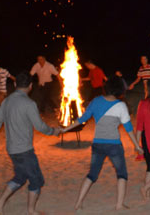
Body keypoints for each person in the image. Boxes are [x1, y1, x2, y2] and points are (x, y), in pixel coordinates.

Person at [0, 72, 61, 215]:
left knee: (20, 177)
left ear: (14, 84)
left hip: (12, 149)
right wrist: (53, 131)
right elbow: (39, 126)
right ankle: (31, 211)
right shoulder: (29, 104)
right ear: (31, 86)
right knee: (37, 181)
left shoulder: (6, 101)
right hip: (24, 150)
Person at [62, 77, 143, 210]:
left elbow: (82, 119)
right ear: (120, 90)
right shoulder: (121, 105)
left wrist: (65, 129)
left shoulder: (96, 101)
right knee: (122, 174)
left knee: (92, 175)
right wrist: (137, 146)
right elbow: (129, 129)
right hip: (114, 145)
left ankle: (78, 203)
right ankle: (119, 205)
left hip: (98, 144)